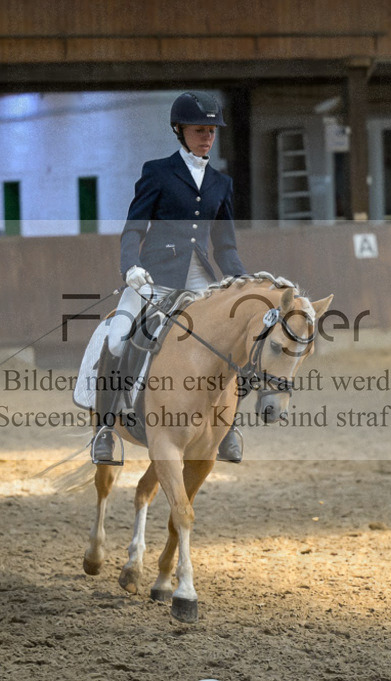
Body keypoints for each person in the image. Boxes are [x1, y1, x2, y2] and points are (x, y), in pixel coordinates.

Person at [92, 91, 247, 465]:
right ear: (180, 130)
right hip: (153, 278)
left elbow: (225, 246)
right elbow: (133, 229)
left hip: (200, 281)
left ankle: (229, 426)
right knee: (117, 339)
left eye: (211, 131)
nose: (206, 137)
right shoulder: (157, 172)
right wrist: (131, 268)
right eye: (199, 130)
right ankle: (105, 428)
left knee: (236, 341)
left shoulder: (220, 183)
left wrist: (242, 282)